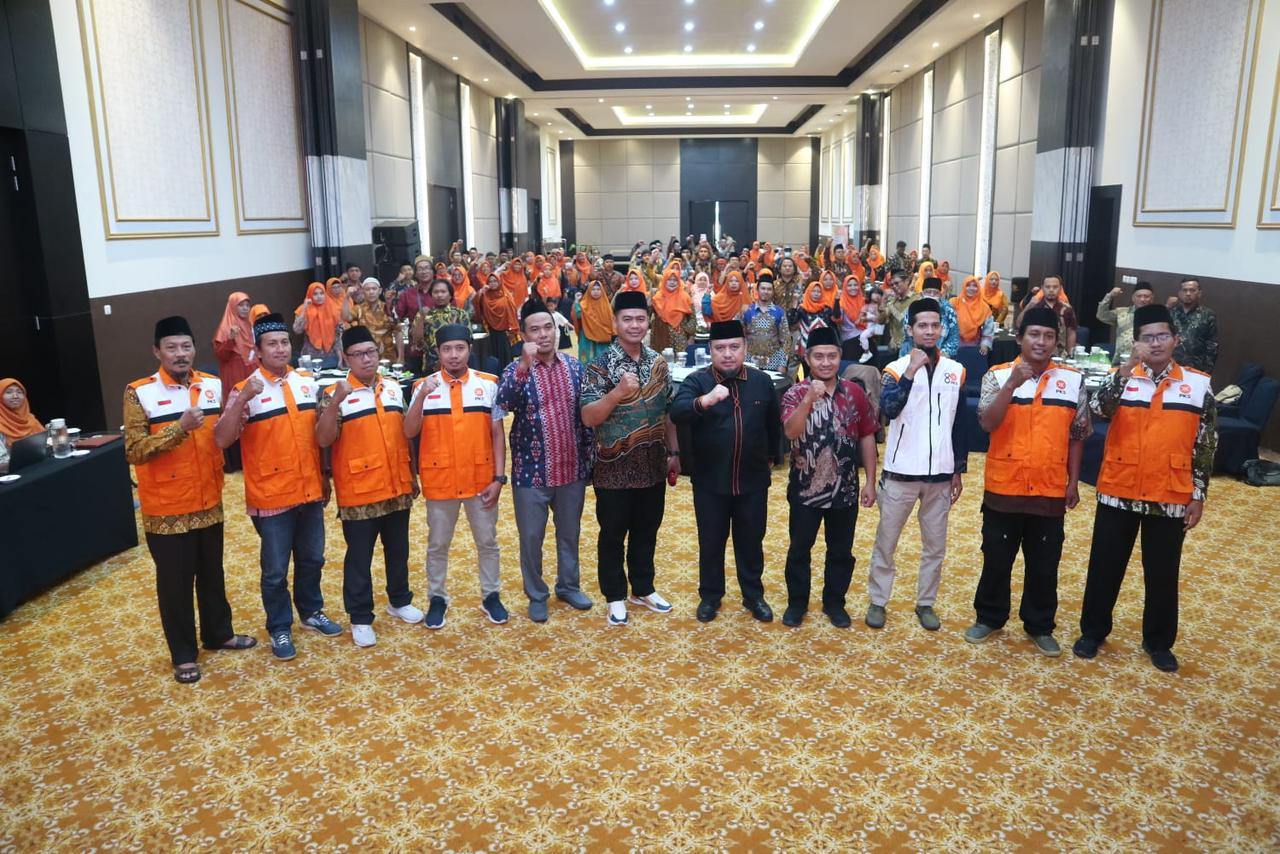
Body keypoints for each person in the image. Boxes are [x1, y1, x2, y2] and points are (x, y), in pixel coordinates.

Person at [1074, 304, 1217, 673]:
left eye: (1162, 336)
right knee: (1104, 567)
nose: (1155, 344)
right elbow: (1098, 409)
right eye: (1147, 338)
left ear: (1175, 339)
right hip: (1118, 490)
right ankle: (1093, 632)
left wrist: (1198, 494)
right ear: (1136, 342)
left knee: (1162, 574)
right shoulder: (1123, 378)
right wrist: (1124, 370)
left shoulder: (1197, 385)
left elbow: (1205, 444)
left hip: (1170, 493)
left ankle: (1158, 642)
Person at [124, 316, 255, 683]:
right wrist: (178, 429)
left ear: (195, 349)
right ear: (157, 352)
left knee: (212, 574)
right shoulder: (139, 392)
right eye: (171, 348)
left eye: (186, 346)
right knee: (175, 585)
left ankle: (218, 633)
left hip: (209, 498)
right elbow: (134, 450)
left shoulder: (210, 385)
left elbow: (220, 437)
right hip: (166, 507)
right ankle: (183, 654)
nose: (180, 354)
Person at [964, 307, 1091, 656]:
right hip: (1004, 485)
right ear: (1020, 338)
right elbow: (987, 423)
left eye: (1049, 336)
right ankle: (989, 617)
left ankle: (1039, 625)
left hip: (1050, 486)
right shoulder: (997, 375)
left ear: (1057, 341)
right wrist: (1011, 386)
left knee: (1044, 563)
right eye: (1034, 334)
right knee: (996, 558)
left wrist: (1073, 481)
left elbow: (1078, 434)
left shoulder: (1072, 380)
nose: (1041, 342)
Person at [214, 313, 341, 661]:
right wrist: (242, 399)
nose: (280, 349)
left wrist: (324, 475)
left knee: (313, 558)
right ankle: (280, 626)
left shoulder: (305, 382)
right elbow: (222, 439)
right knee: (274, 570)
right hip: (271, 495)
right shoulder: (246, 388)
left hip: (310, 488)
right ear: (258, 350)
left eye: (284, 342)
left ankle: (311, 611)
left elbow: (318, 435)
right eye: (272, 344)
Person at [315, 326, 424, 648]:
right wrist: (336, 401)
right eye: (358, 354)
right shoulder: (333, 392)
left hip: (397, 485)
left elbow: (406, 433)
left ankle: (399, 600)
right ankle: (360, 617)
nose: (366, 359)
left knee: (398, 549)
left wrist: (412, 475)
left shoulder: (391, 387)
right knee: (359, 557)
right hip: (359, 491)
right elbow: (323, 438)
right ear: (345, 358)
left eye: (371, 352)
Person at [866, 298, 968, 631]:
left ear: (942, 329)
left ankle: (926, 602)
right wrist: (910, 371)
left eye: (934, 325)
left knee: (935, 546)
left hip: (940, 474)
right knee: (886, 542)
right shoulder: (894, 370)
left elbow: (959, 424)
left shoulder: (955, 371)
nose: (929, 331)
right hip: (901, 473)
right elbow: (889, 409)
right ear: (910, 329)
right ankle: (878, 600)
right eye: (922, 325)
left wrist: (958, 469)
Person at [580, 290, 680, 626]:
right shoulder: (599, 365)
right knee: (612, 533)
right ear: (615, 323)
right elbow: (589, 417)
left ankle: (643, 588)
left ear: (648, 322)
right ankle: (614, 595)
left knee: (647, 529)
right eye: (627, 319)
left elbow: (668, 411)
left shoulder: (658, 363)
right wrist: (617, 393)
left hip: (653, 464)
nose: (634, 325)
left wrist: (674, 452)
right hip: (614, 467)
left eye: (640, 319)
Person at [671, 320, 781, 624]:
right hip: (710, 481)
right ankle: (710, 596)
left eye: (734, 347)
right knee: (711, 542)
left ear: (745, 348)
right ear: (710, 350)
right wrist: (704, 401)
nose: (728, 354)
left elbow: (773, 425)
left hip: (752, 480)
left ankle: (753, 595)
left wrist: (771, 458)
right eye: (720, 348)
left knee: (751, 541)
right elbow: (677, 412)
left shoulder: (761, 381)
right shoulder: (697, 381)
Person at [496, 299, 595, 622]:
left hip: (571, 469)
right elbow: (503, 404)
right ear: (524, 335)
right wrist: (524, 366)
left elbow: (586, 420)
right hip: (531, 474)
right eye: (535, 330)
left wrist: (589, 463)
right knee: (531, 539)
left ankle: (568, 586)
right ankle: (536, 594)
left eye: (548, 327)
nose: (543, 335)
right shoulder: (515, 370)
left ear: (556, 329)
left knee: (569, 534)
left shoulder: (575, 368)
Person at [403, 324, 508, 629]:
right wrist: (422, 396)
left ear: (469, 350)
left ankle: (491, 595)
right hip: (441, 480)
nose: (453, 355)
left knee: (487, 542)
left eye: (459, 348)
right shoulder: (422, 386)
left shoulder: (489, 384)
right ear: (438, 352)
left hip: (481, 479)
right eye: (447, 349)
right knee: (438, 544)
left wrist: (499, 478)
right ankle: (437, 598)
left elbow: (497, 434)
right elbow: (409, 431)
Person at [777, 325, 878, 628]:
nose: (825, 362)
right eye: (818, 356)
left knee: (841, 552)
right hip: (805, 488)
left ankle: (835, 603)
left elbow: (867, 436)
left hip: (845, 489)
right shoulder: (794, 393)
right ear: (807, 358)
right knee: (799, 549)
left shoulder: (855, 393)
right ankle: (797, 603)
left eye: (831, 356)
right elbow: (790, 432)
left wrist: (870, 481)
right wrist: (808, 399)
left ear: (840, 356)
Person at [410, 279, 471, 375]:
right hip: (431, 366)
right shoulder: (424, 314)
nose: (439, 295)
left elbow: (468, 342)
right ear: (431, 295)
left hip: (456, 363)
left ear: (450, 295)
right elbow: (417, 342)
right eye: (436, 292)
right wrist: (421, 318)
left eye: (443, 292)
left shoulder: (460, 314)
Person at [742, 272, 791, 374]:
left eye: (769, 289)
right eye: (763, 288)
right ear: (757, 290)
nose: (766, 292)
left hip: (773, 363)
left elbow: (786, 340)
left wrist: (782, 364)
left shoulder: (779, 312)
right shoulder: (747, 310)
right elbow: (739, 337)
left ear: (773, 291)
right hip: (750, 362)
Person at [212, 292, 257, 401]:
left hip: (252, 370)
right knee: (237, 402)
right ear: (232, 306)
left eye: (247, 305)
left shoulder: (249, 325)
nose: (245, 308)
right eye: (241, 305)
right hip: (234, 373)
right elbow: (221, 355)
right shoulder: (225, 328)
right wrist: (231, 339)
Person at [1167, 278, 1218, 374]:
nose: (1188, 293)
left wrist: (1207, 371)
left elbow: (1212, 345)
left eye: (1192, 290)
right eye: (1185, 290)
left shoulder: (1208, 315)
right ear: (1179, 293)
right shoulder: (1170, 312)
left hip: (1196, 368)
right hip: (1170, 366)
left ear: (1199, 293)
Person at [899, 277, 960, 357]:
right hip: (914, 354)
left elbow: (954, 335)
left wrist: (944, 353)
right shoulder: (914, 307)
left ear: (940, 295)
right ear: (922, 293)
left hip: (942, 356)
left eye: (935, 293)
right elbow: (907, 335)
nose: (931, 295)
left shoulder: (948, 309)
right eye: (928, 292)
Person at [1096, 281, 1153, 364]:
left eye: (1146, 296)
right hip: (1120, 362)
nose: (1142, 299)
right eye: (1139, 296)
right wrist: (1109, 296)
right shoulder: (1122, 312)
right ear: (1133, 298)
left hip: (1145, 363)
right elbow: (1101, 315)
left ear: (1152, 299)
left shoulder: (1156, 317)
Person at [1019, 275, 1077, 356]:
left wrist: (1071, 354)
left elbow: (1071, 332)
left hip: (1060, 355)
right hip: (1037, 352)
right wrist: (1029, 306)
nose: (1051, 290)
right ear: (1042, 288)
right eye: (1048, 287)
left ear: (1060, 288)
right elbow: (1019, 324)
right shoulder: (1035, 306)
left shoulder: (1067, 309)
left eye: (1055, 287)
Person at [473, 271, 521, 368]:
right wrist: (480, 292)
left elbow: (512, 313)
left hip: (504, 333)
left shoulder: (506, 296)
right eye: (490, 282)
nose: (492, 283)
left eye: (495, 281)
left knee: (505, 358)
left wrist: (512, 331)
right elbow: (476, 305)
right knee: (493, 359)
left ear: (499, 282)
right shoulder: (484, 295)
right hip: (490, 332)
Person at [349, 277, 400, 363]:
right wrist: (347, 296)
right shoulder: (358, 309)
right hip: (366, 358)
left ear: (380, 291)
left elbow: (398, 332)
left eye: (374, 289)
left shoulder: (389, 308)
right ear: (363, 291)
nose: (371, 292)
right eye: (367, 289)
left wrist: (401, 357)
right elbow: (346, 317)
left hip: (388, 357)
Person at [650, 263, 696, 356]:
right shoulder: (657, 297)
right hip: (661, 336)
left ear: (679, 281)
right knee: (663, 361)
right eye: (669, 280)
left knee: (680, 361)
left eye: (675, 280)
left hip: (680, 337)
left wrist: (687, 330)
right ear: (664, 281)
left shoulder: (685, 297)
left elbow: (692, 318)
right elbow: (652, 319)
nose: (672, 282)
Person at [293, 282, 342, 365]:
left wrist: (340, 356)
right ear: (310, 295)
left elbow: (338, 335)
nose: (319, 296)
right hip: (311, 354)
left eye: (321, 293)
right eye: (315, 294)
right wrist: (304, 309)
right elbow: (297, 330)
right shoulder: (303, 309)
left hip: (331, 354)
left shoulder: (332, 308)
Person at [571, 279, 614, 363]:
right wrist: (576, 301)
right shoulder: (583, 304)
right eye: (593, 289)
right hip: (587, 336)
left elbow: (611, 322)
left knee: (602, 361)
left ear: (602, 291)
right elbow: (577, 316)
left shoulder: (607, 306)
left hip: (602, 338)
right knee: (587, 360)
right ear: (589, 290)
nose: (596, 292)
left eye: (598, 289)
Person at [951, 276, 996, 354]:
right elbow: (945, 323)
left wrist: (985, 344)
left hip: (974, 346)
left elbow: (989, 328)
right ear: (964, 287)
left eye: (975, 286)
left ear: (978, 288)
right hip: (953, 345)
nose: (971, 288)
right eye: (968, 285)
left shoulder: (984, 307)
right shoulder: (954, 303)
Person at [882, 271, 916, 355]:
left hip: (913, 348)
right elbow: (880, 320)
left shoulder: (917, 299)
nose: (894, 286)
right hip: (895, 348)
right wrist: (884, 299)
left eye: (897, 283)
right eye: (892, 285)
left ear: (907, 281)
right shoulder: (891, 302)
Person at [0, 378, 42, 443]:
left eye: (19, 392)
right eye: (8, 392)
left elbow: (47, 442)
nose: (15, 396)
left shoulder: (30, 420)